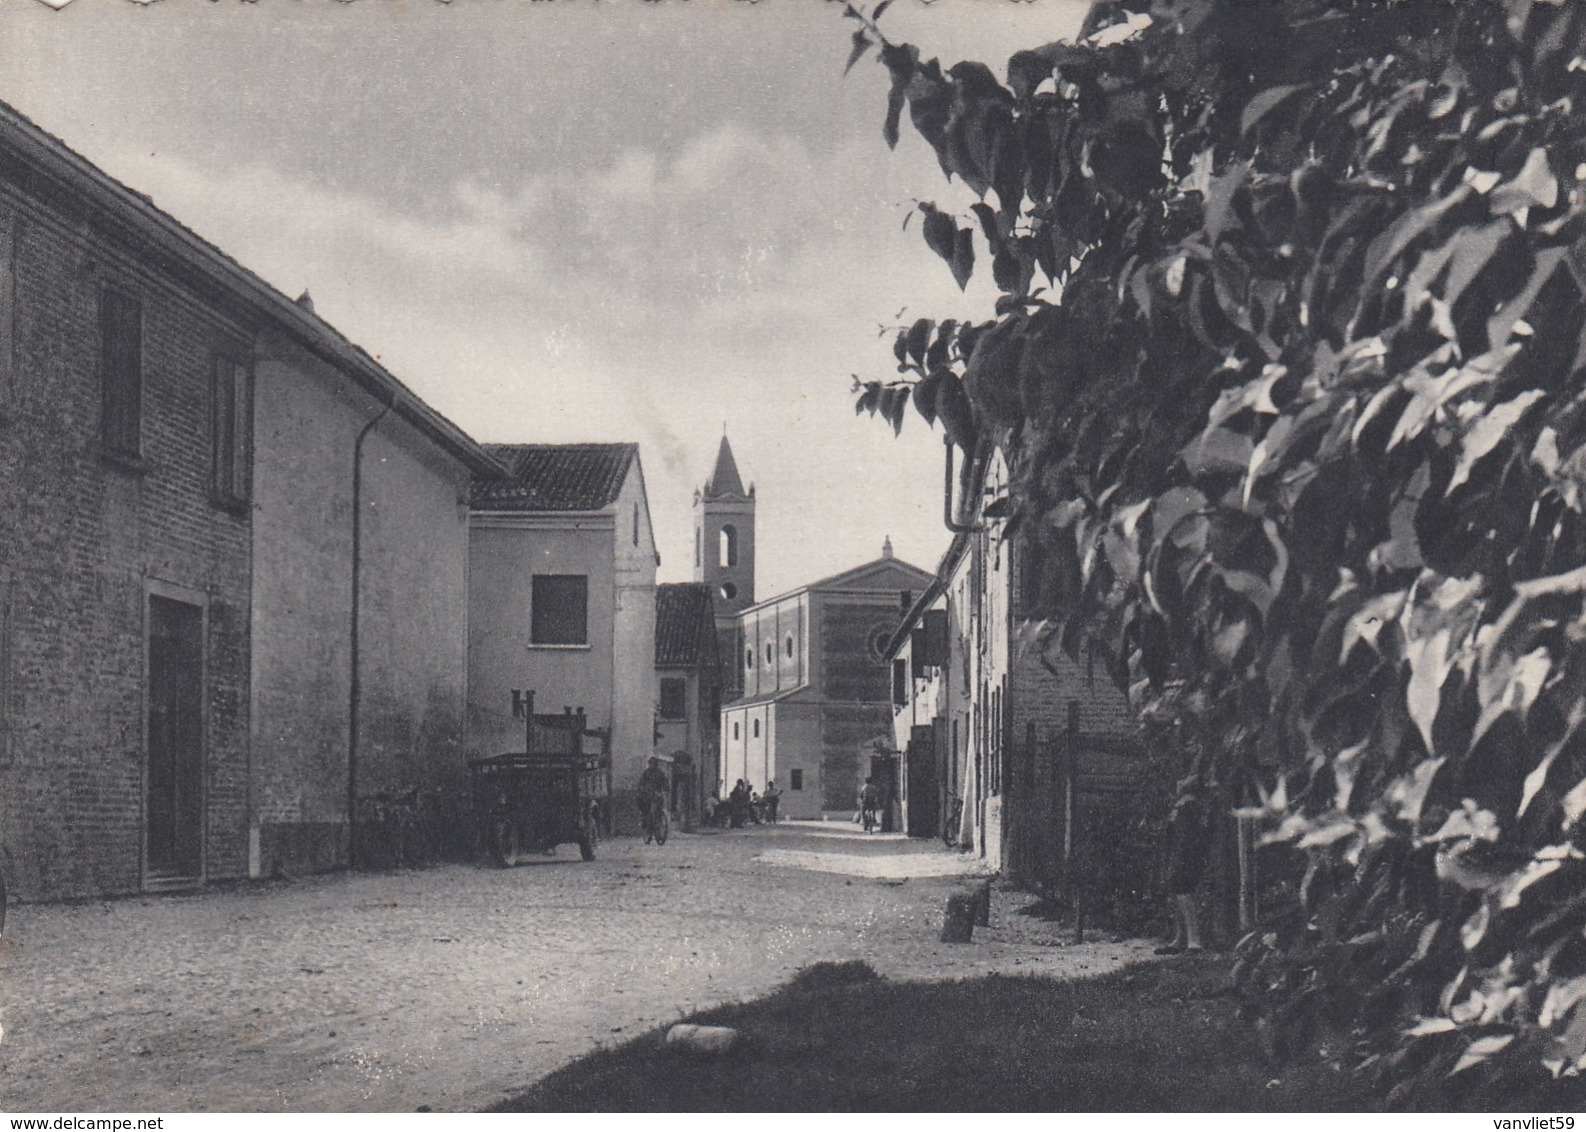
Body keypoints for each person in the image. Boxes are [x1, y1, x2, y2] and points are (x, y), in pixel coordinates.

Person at [1158, 773, 1209, 954]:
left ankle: (1194, 940)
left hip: (1185, 856)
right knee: (1177, 894)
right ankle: (1181, 937)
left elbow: (1186, 837)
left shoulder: (1189, 806)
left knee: (1184, 894)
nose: (1179, 782)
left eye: (1183, 780)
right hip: (1176, 855)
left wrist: (1179, 858)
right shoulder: (1181, 806)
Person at [638, 757, 668, 834]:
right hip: (647, 794)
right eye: (651, 764)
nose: (652, 765)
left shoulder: (660, 773)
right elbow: (641, 783)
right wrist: (643, 789)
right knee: (646, 809)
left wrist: (665, 790)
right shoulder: (646, 773)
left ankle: (659, 822)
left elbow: (665, 782)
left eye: (653, 764)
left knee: (659, 807)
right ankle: (645, 823)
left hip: (657, 794)